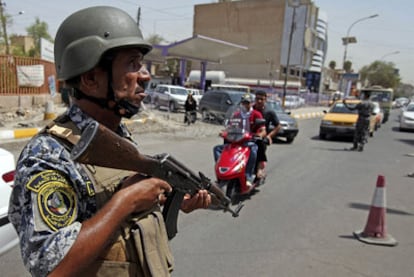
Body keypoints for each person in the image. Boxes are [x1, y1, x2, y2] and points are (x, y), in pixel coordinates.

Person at [8, 6, 210, 277]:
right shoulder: (49, 155)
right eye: (132, 63)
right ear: (91, 79)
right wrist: (126, 201)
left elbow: (119, 238)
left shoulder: (114, 139)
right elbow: (52, 267)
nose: (145, 75)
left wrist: (166, 201)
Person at [213, 93, 265, 192]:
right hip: (236, 140)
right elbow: (231, 126)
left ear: (251, 103)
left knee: (253, 149)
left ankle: (248, 176)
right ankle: (222, 175)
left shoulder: (256, 114)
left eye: (247, 103)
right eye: (243, 103)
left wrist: (259, 135)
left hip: (248, 140)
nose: (245, 105)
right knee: (217, 149)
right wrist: (225, 132)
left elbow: (262, 129)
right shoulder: (237, 114)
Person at [253, 90, 281, 179]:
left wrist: (269, 136)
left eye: (261, 99)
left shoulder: (269, 112)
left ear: (265, 99)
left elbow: (278, 126)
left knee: (260, 143)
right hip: (249, 135)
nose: (259, 101)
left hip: (262, 136)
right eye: (257, 99)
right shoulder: (250, 109)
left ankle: (259, 168)